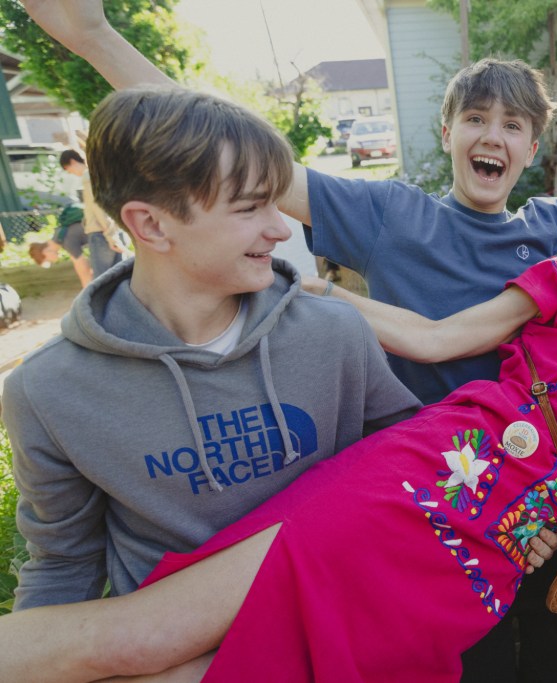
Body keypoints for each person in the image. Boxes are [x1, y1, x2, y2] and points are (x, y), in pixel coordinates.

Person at [18, 4, 557, 681]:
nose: (493, 134)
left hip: (540, 518)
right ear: (448, 134)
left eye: (513, 123)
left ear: (531, 144)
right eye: (475, 117)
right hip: (426, 489)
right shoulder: (390, 212)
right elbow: (235, 166)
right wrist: (96, 36)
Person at [0, 160, 557, 682]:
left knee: (247, 668)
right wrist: (327, 295)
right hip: (438, 468)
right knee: (149, 635)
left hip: (508, 536)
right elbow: (439, 338)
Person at [2, 85, 422, 612]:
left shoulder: (337, 332)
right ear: (151, 223)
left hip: (343, 630)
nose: (279, 227)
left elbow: (416, 470)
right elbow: (63, 566)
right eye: (249, 207)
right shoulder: (45, 392)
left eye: (275, 200)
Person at [58, 148, 131, 276]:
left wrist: (111, 237)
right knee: (121, 278)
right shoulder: (102, 174)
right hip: (115, 231)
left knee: (102, 282)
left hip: (101, 234)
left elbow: (99, 208)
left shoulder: (89, 178)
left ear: (72, 161)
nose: (70, 173)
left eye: (67, 169)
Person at [27, 203, 93, 287]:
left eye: (49, 261)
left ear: (45, 252)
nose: (54, 261)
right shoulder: (59, 234)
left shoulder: (65, 241)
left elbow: (83, 270)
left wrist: (87, 292)